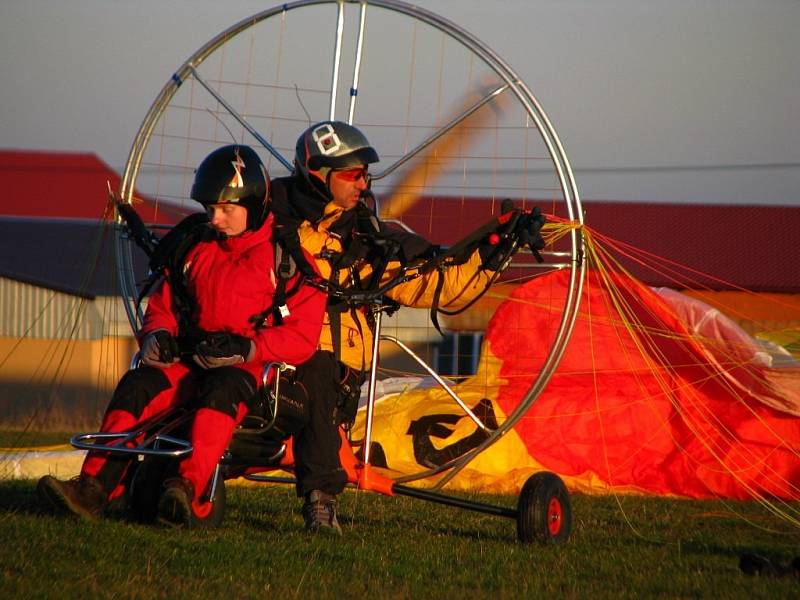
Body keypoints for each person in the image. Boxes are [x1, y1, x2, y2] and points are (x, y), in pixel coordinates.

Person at [271, 120, 546, 534]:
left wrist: (496, 247)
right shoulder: (264, 222)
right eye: (352, 175)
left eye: (366, 175)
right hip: (265, 351)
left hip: (328, 364)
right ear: (318, 177)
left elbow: (435, 282)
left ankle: (321, 501)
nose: (363, 184)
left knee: (321, 374)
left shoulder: (367, 241)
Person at [37, 145, 326, 526]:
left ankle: (187, 487)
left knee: (221, 392)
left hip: (246, 372)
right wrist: (157, 336)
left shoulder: (286, 260)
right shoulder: (194, 247)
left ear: (255, 204)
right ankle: (93, 489)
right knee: (137, 386)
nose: (215, 219)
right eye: (210, 209)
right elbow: (163, 305)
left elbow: (303, 336)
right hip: (186, 363)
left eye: (226, 209)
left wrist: (248, 347)